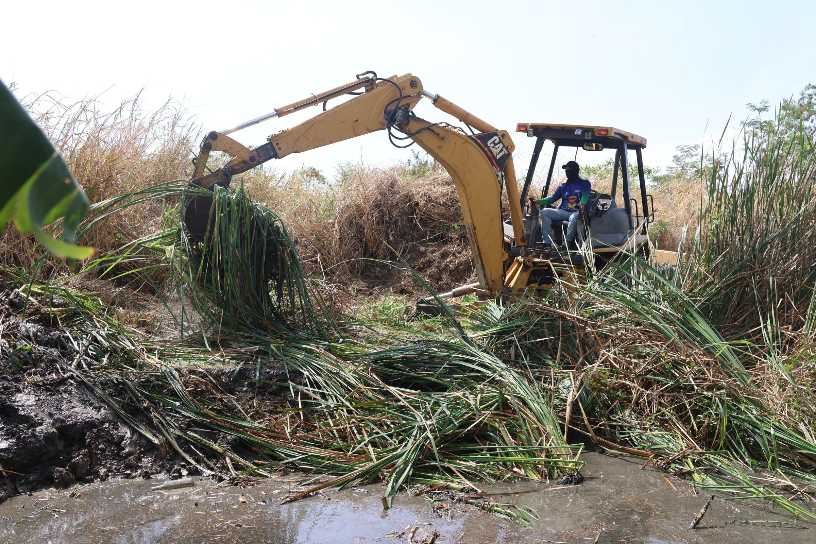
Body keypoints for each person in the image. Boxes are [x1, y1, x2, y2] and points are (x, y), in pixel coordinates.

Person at [535, 161, 591, 247]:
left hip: (577, 212)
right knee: (544, 212)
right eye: (566, 171)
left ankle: (566, 244)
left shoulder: (585, 184)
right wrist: (538, 201)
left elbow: (585, 198)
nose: (567, 172)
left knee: (574, 217)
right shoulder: (563, 186)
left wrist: (582, 204)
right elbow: (552, 198)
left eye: (569, 170)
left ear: (576, 171)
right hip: (563, 212)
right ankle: (547, 242)